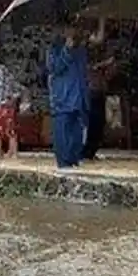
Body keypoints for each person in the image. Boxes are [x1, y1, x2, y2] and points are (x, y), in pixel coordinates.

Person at [47, 23, 90, 171]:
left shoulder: (81, 50)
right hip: (62, 98)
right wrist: (66, 49)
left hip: (79, 97)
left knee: (77, 132)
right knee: (62, 132)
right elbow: (55, 68)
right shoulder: (55, 50)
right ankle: (64, 162)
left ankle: (74, 159)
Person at [82, 19, 113, 161]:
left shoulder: (99, 51)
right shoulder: (85, 50)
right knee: (92, 121)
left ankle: (90, 150)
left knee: (98, 122)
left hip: (98, 89)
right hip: (90, 90)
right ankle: (86, 151)